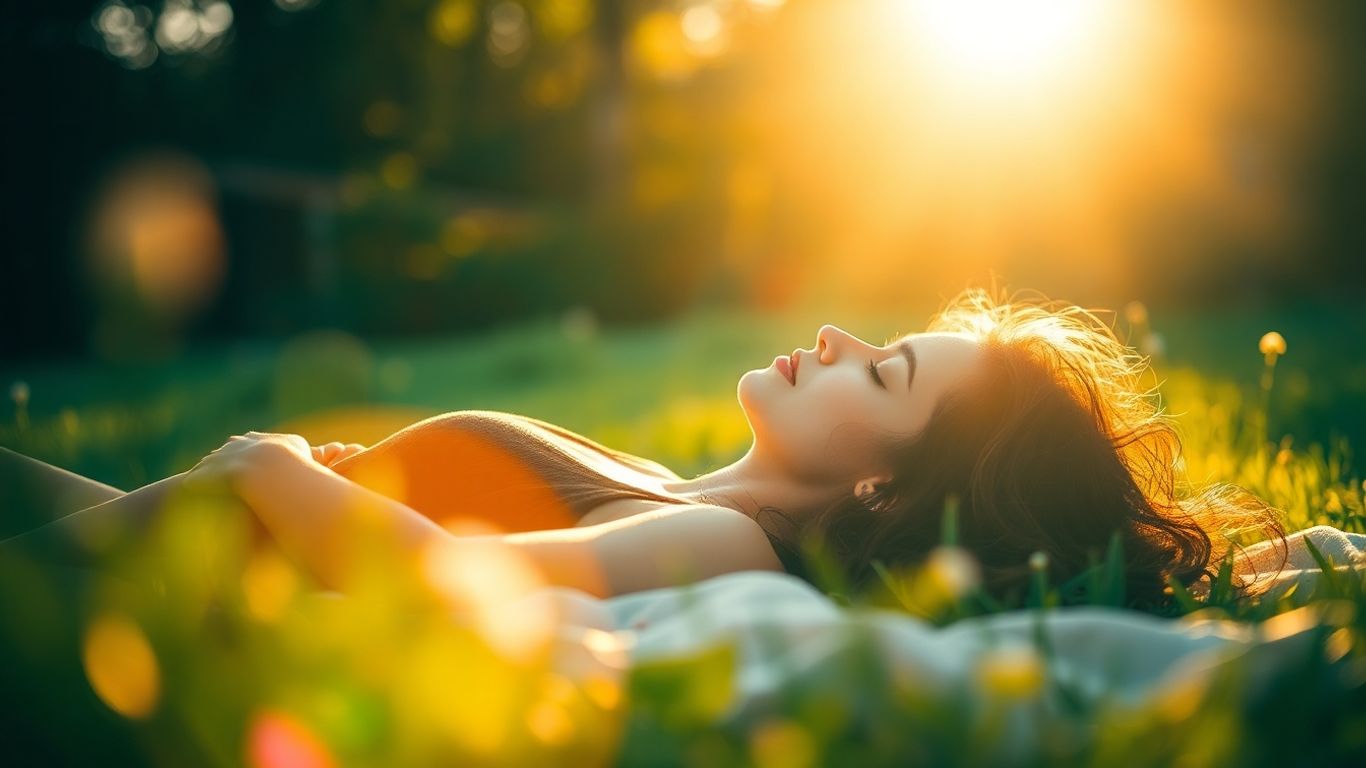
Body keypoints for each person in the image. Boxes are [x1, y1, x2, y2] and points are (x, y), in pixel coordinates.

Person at [0, 286, 1289, 609]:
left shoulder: (733, 537)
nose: (839, 333)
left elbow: (476, 598)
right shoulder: (683, 490)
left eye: (883, 369)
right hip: (156, 536)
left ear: (886, 482)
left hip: (164, 586)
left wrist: (273, 470)